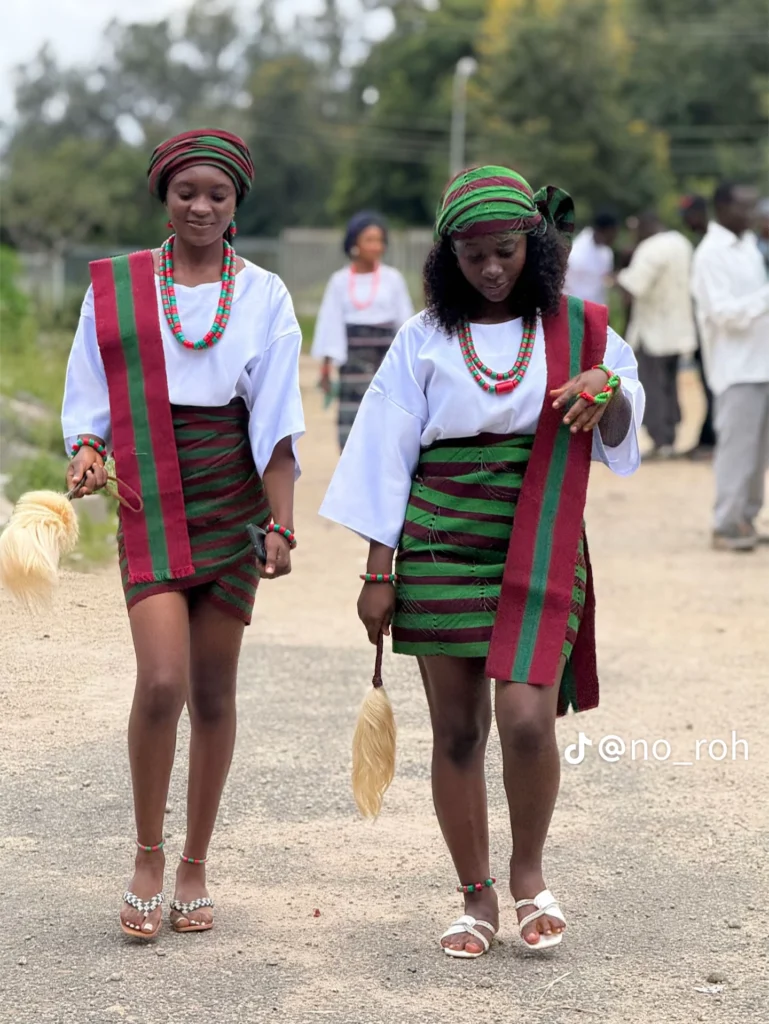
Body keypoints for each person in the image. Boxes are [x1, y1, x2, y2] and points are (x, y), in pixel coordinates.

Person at [320, 166, 644, 958]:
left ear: (532, 246)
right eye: (472, 257)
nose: (491, 269)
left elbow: (622, 426)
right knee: (458, 731)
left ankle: (529, 874)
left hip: (539, 538)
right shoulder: (422, 336)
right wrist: (377, 573)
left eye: (505, 252)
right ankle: (476, 896)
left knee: (527, 720)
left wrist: (606, 388)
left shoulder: (583, 330)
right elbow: (385, 456)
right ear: (447, 258)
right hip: (438, 542)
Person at [61, 129, 305, 938]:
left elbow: (276, 423)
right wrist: (87, 450)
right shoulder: (117, 287)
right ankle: (147, 856)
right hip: (151, 498)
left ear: (237, 204)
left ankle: (196, 863)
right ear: (163, 197)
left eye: (217, 195)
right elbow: (88, 397)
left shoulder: (265, 294)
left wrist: (281, 523)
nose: (201, 207)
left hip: (232, 502)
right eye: (186, 192)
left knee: (213, 692)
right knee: (162, 682)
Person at [691, 181, 769, 552]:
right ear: (722, 208)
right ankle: (725, 524)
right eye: (745, 207)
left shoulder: (749, 245)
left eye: (755, 206)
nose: (753, 214)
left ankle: (745, 519)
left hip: (761, 362)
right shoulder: (710, 254)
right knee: (737, 450)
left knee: (758, 452)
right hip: (736, 369)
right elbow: (723, 314)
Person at [310, 212, 414, 450]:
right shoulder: (339, 281)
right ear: (354, 243)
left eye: (380, 240)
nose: (376, 246)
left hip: (386, 363)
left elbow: (406, 324)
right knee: (353, 426)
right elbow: (330, 324)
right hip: (352, 367)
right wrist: (326, 368)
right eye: (369, 240)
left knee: (386, 420)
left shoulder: (393, 279)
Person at [617, 212, 697, 459]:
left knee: (652, 386)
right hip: (679, 330)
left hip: (653, 331)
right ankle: (669, 439)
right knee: (670, 387)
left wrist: (620, 272)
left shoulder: (649, 249)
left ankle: (660, 441)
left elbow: (633, 288)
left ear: (644, 226)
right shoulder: (681, 242)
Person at [680, 194, 716, 459]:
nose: (685, 222)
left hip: (717, 332)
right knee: (707, 385)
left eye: (687, 216)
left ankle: (711, 441)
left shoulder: (713, 246)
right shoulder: (702, 243)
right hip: (703, 332)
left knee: (714, 386)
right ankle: (707, 438)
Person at [563, 210, 619, 306]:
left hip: (596, 307)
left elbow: (605, 279)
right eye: (614, 232)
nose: (615, 237)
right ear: (606, 231)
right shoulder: (576, 252)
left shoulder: (607, 253)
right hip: (575, 307)